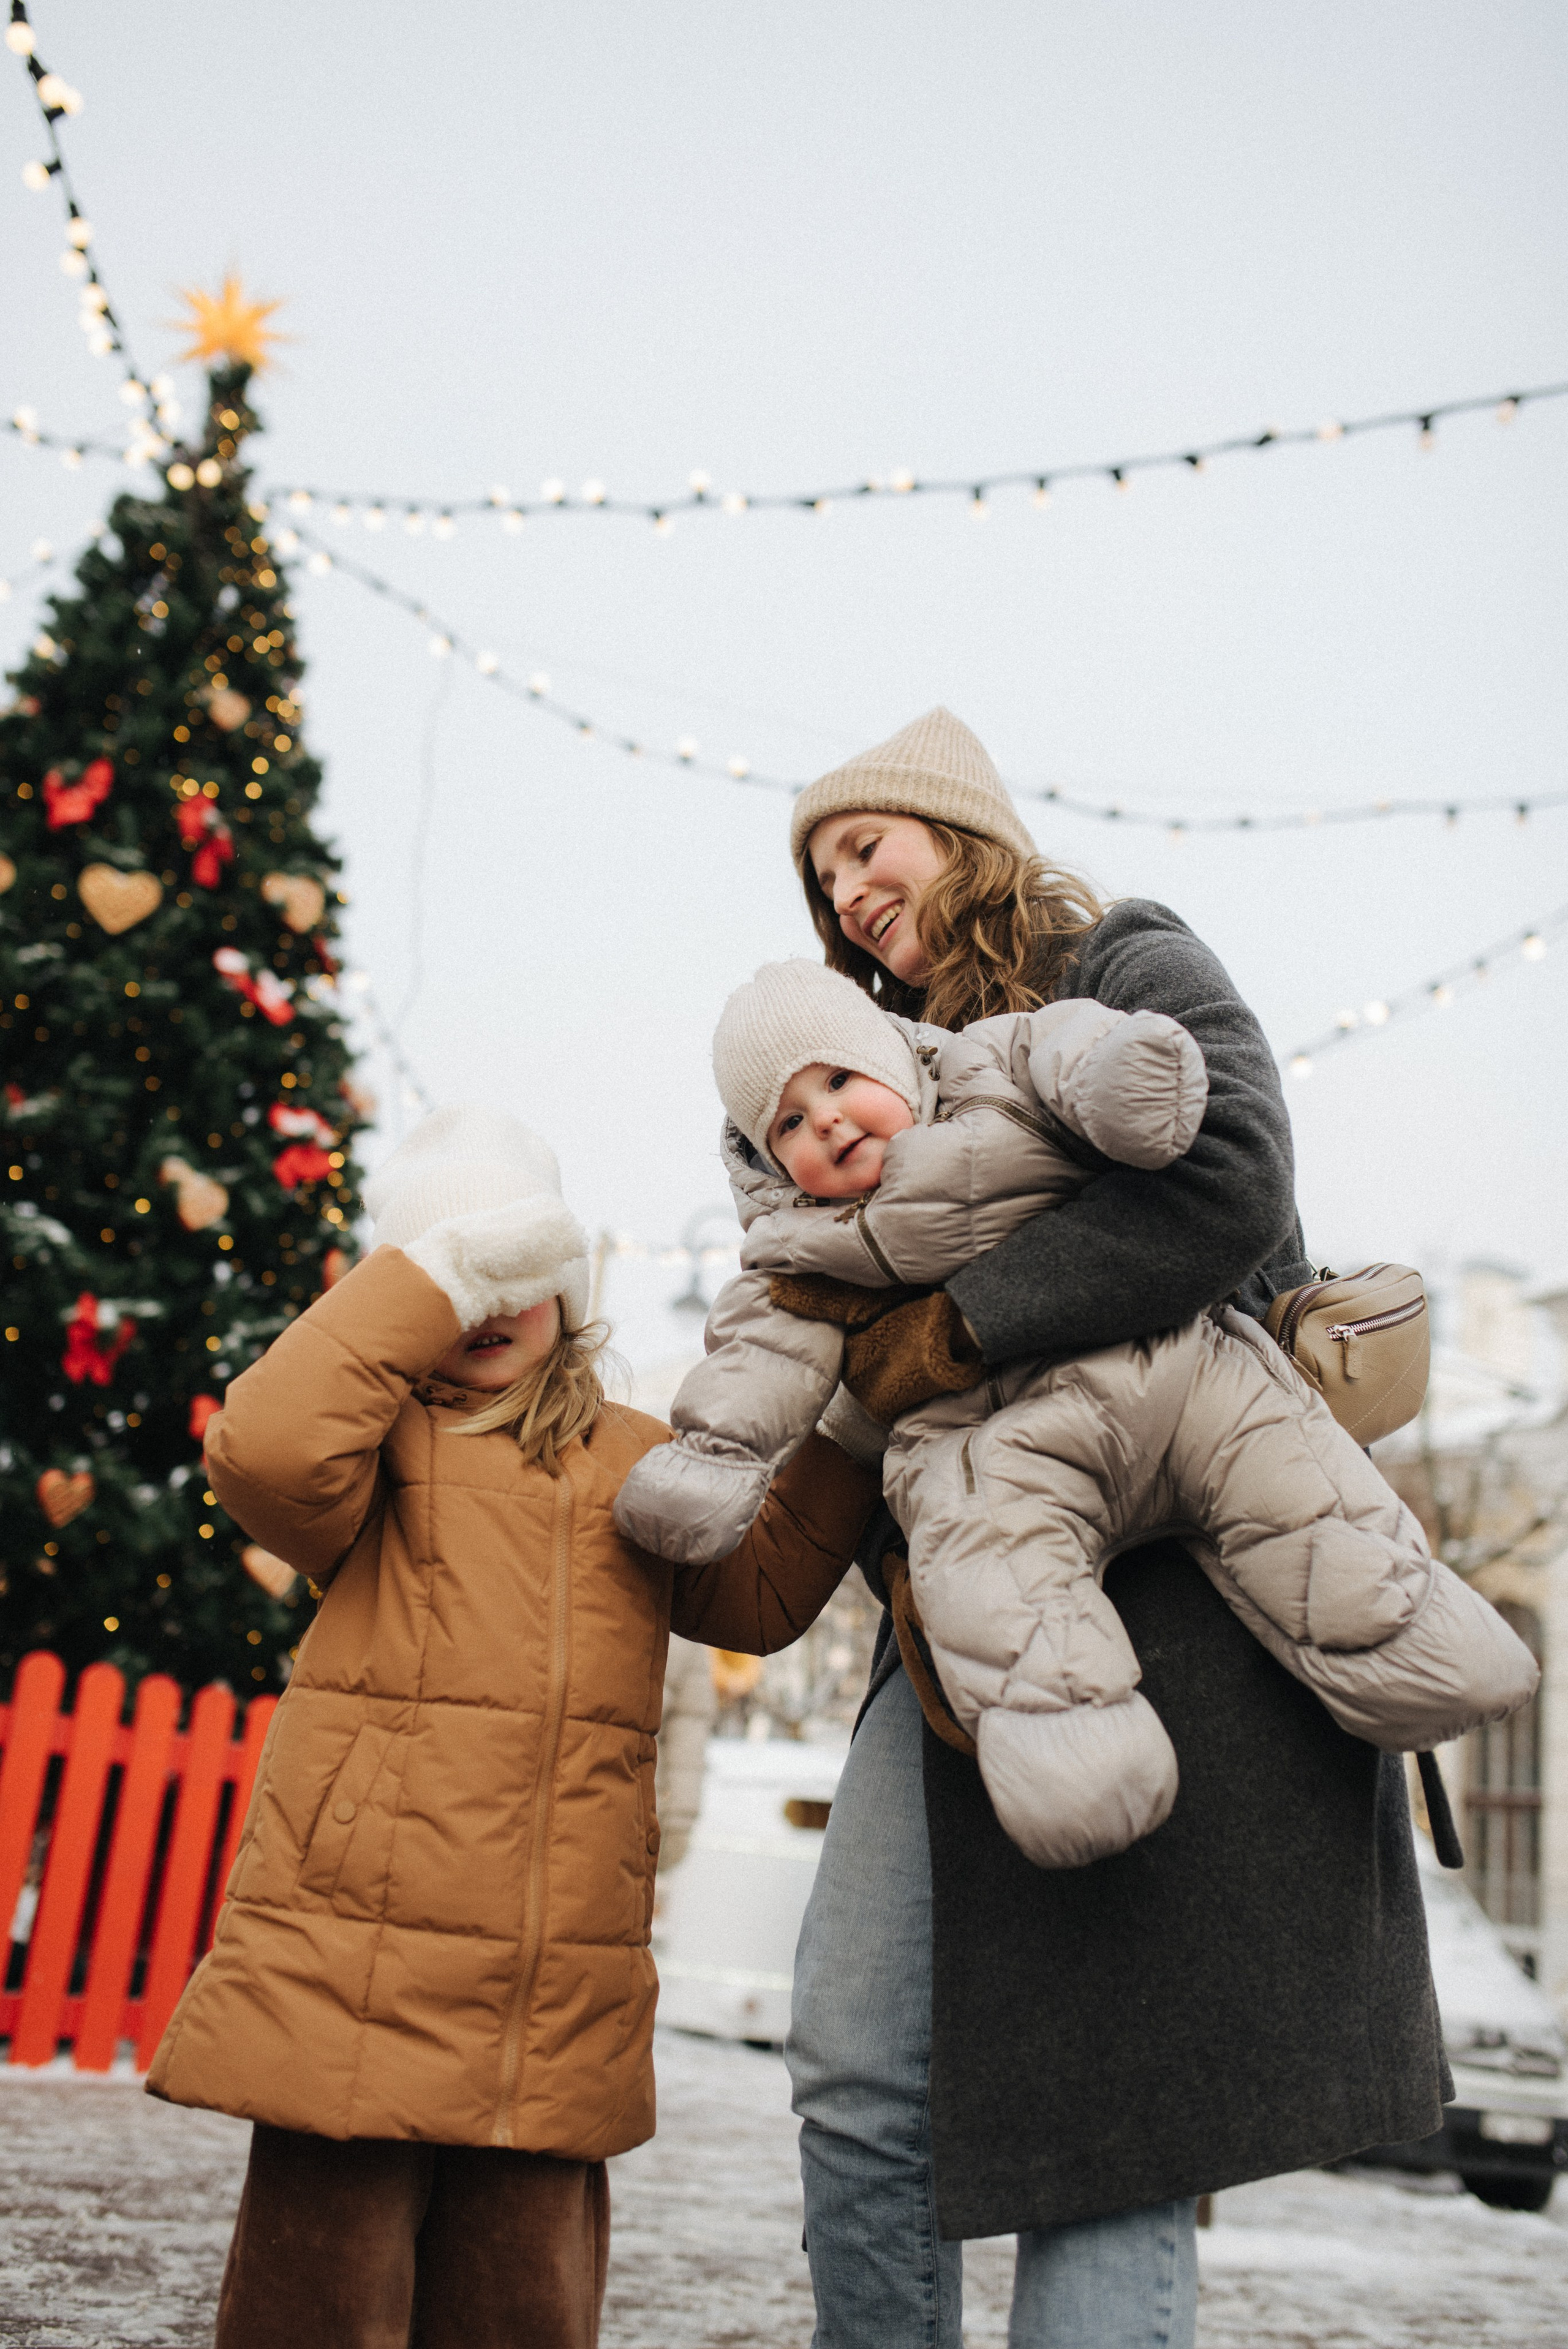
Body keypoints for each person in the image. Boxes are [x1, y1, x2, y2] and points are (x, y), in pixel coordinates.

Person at [769, 707, 1463, 2349]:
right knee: (856, 2061)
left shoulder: (1127, 959)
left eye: (868, 844)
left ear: (960, 828)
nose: (848, 890)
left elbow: (1227, 1170)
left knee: (1113, 2123)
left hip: (1184, 1595)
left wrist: (964, 1323)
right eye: (821, 878)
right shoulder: (875, 1083)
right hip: (947, 1624)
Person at [146, 1104, 881, 2349]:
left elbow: (756, 1592)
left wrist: (852, 1431)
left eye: (512, 1273)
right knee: (316, 2302)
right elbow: (259, 1453)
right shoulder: (369, 1455)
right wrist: (429, 1281)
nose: (484, 1306)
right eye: (451, 1274)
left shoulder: (637, 1461)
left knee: (519, 2308)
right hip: (356, 1968)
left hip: (550, 1986)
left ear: (566, 1280)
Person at [614, 956, 1533, 1869]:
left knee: (1292, 1483)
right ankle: (1079, 1763)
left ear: (891, 1058)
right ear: (773, 1162)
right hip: (994, 1447)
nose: (829, 1120)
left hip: (1165, 1368)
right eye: (790, 1124)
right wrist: (710, 1463)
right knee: (987, 1570)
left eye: (842, 1081)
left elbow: (1074, 1054)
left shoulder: (988, 1064)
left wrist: (1126, 1083)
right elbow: (757, 1367)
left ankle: (1420, 1646)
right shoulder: (799, 1254)